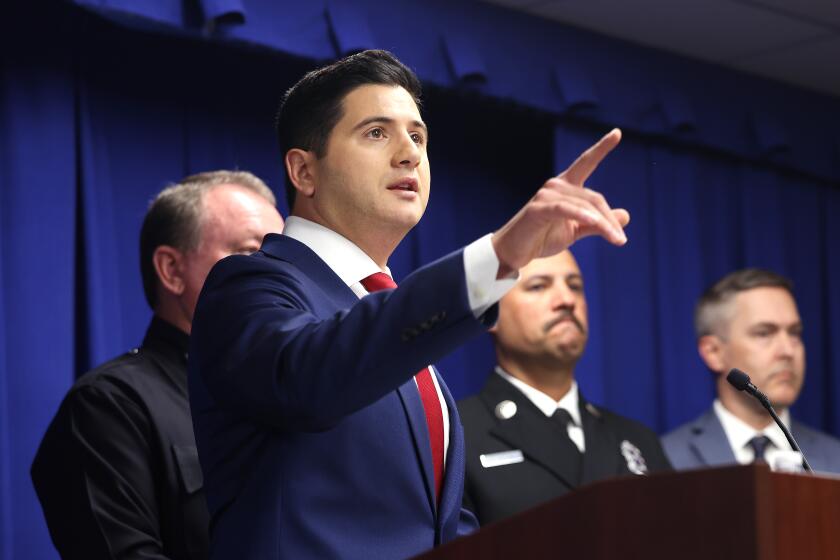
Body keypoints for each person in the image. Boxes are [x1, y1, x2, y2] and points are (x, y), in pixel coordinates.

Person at [188, 49, 630, 560]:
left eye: (417, 136)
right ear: (303, 172)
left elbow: (441, 527)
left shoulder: (396, 320)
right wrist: (499, 257)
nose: (409, 154)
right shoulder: (249, 284)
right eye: (377, 133)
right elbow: (310, 378)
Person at [31, 171, 284, 559]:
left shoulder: (292, 394)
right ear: (171, 270)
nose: (279, 275)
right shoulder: (109, 407)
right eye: (251, 252)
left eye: (281, 257)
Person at [457, 250, 672, 525]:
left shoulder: (638, 439)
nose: (567, 300)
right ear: (491, 313)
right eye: (539, 286)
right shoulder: (457, 435)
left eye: (575, 286)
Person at [662, 268, 840, 473]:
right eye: (764, 333)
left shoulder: (835, 459)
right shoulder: (667, 459)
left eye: (795, 333)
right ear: (713, 352)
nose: (788, 350)